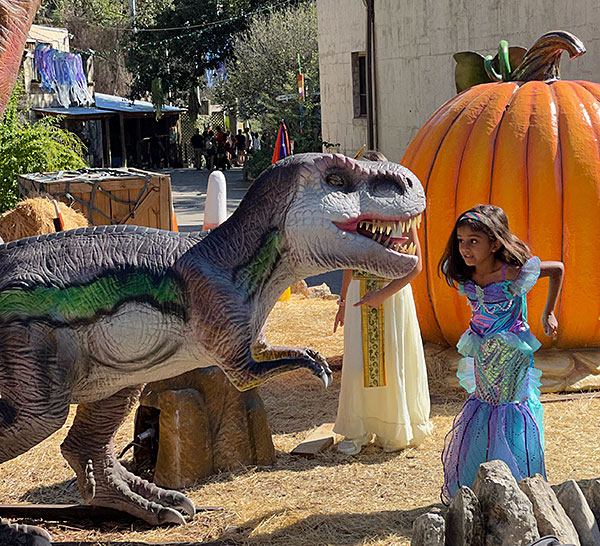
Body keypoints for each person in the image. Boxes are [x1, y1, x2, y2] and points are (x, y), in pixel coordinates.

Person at [438, 204, 564, 504]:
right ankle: (483, 482)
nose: (465, 248)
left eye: (473, 241)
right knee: (485, 407)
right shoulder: (464, 273)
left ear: (495, 243)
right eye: (460, 240)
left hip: (512, 355)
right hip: (483, 355)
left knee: (507, 410)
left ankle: (515, 483)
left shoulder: (513, 272)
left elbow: (557, 269)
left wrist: (549, 313)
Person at [332, 150, 433, 456]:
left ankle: (394, 428)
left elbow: (416, 265)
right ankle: (358, 429)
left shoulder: (402, 217)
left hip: (391, 296)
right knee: (357, 365)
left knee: (392, 361)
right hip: (359, 295)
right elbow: (351, 260)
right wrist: (341, 301)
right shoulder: (355, 217)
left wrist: (382, 295)